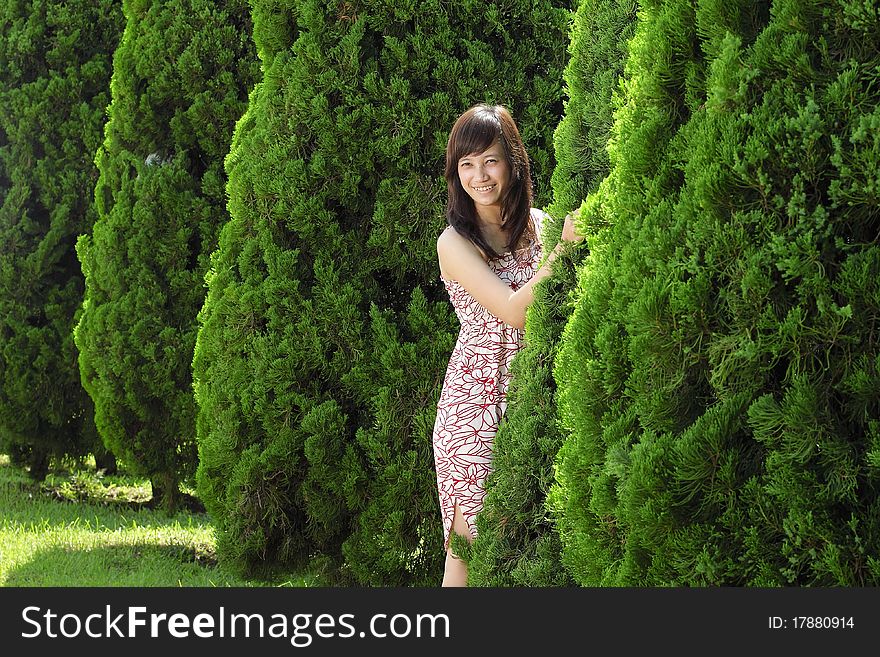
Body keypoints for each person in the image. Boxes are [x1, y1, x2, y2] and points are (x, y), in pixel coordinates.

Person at [432, 104, 584, 587]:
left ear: (512, 161)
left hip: (531, 398)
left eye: (490, 161)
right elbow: (515, 310)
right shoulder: (454, 242)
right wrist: (564, 249)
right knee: (468, 548)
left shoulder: (539, 225)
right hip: (473, 406)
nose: (480, 176)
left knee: (529, 544)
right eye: (467, 164)